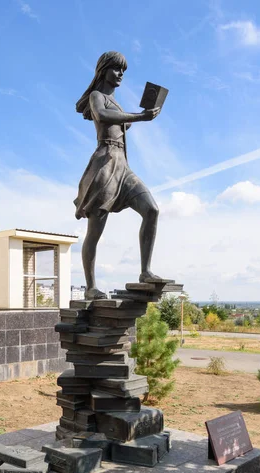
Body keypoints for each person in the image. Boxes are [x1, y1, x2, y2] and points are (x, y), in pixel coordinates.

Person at [75, 51, 163, 300]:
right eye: (116, 68)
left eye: (123, 70)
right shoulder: (97, 96)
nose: (121, 74)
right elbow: (102, 116)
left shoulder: (117, 103)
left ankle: (145, 271)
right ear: (103, 70)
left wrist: (134, 117)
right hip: (105, 165)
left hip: (123, 166)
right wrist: (138, 117)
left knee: (152, 210)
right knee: (95, 229)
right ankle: (91, 287)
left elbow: (116, 119)